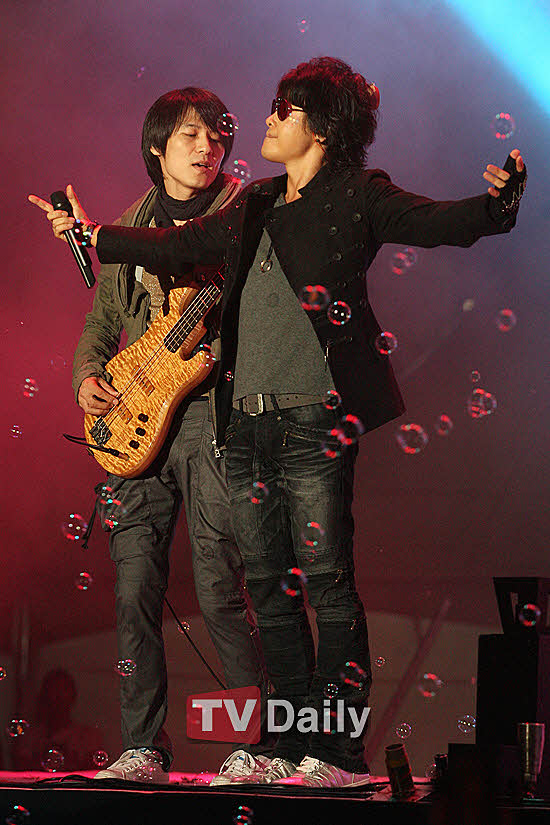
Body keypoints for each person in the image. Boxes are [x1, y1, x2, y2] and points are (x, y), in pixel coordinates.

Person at [32, 57, 527, 788]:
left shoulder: (357, 194)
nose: (261, 122)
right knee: (269, 590)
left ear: (320, 127)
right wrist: (91, 234)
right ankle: (289, 747)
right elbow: (174, 249)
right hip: (247, 425)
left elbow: (438, 222)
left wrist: (495, 207)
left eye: (282, 110)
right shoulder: (258, 201)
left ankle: (340, 754)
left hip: (307, 419)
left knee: (323, 583)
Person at [30, 87, 275, 785]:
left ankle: (254, 745)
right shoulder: (129, 228)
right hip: (134, 414)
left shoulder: (246, 213)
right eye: (191, 135)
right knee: (134, 584)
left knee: (219, 580)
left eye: (217, 137)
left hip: (209, 415)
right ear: (157, 147)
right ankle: (144, 746)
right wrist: (86, 377)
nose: (207, 148)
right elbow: (100, 324)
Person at [12, 669, 105, 772]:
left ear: (73, 696)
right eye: (52, 690)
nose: (57, 697)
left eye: (63, 691)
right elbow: (22, 770)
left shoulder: (88, 737)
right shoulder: (30, 738)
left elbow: (93, 773)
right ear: (44, 696)